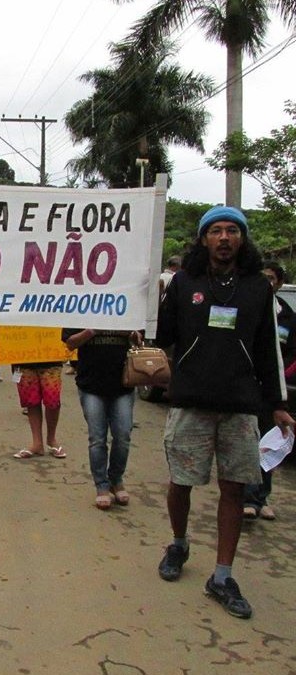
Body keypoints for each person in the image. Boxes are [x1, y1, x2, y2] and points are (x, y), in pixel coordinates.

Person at [155, 205, 294, 620]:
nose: (224, 237)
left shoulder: (257, 288)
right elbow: (161, 335)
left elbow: (269, 350)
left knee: (233, 489)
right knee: (181, 482)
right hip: (190, 402)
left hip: (240, 407)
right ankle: (178, 543)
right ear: (203, 239)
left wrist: (279, 405)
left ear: (242, 238)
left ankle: (221, 575)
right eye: (215, 230)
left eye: (232, 230)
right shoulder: (184, 282)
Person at [61, 328, 138, 508]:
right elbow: (70, 342)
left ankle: (116, 479)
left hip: (123, 384)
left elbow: (139, 338)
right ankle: (101, 485)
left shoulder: (128, 306)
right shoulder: (81, 305)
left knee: (123, 435)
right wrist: (92, 331)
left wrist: (130, 334)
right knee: (97, 438)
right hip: (91, 385)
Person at [243, 261, 296, 520]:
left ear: (279, 283)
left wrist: (281, 378)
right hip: (245, 388)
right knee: (247, 443)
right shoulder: (246, 306)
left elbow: (288, 353)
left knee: (268, 444)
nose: (267, 282)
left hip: (272, 391)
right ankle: (246, 497)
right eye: (263, 277)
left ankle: (260, 497)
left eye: (272, 278)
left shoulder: (287, 316)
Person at [12, 360, 66, 459]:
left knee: (52, 400)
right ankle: (37, 443)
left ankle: (51, 439)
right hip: (22, 358)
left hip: (51, 358)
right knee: (31, 401)